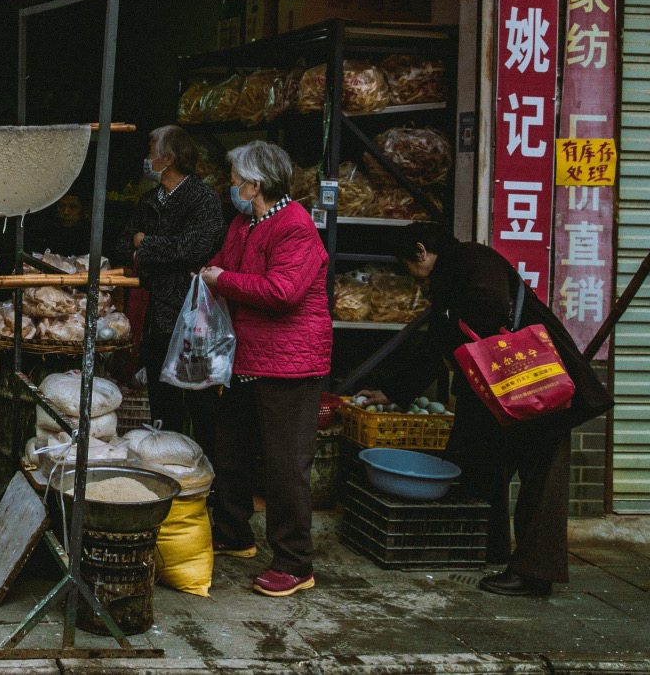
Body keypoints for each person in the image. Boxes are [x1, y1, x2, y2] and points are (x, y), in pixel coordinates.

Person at [355, 224, 572, 597]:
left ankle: (535, 572)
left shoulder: (471, 260)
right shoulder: (450, 275)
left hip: (532, 383)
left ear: (421, 251)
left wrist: (457, 335)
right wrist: (392, 391)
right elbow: (438, 346)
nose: (411, 274)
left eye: (408, 264)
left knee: (542, 475)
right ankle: (489, 547)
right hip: (500, 389)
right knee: (478, 460)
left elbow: (487, 312)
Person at [199, 140, 331, 598]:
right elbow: (226, 266)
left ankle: (295, 562)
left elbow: (283, 292)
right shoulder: (244, 222)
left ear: (255, 184)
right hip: (247, 356)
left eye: (235, 181)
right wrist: (212, 274)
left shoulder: (296, 227)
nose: (230, 187)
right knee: (231, 449)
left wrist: (223, 281)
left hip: (291, 363)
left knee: (286, 465)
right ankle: (234, 533)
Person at [114, 126, 225, 434]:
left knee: (199, 400)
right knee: (162, 397)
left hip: (191, 313)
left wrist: (145, 243)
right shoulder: (149, 200)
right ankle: (166, 458)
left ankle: (202, 468)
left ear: (168, 158)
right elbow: (123, 244)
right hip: (152, 312)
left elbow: (192, 248)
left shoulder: (204, 200)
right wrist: (149, 246)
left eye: (151, 152)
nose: (146, 158)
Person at [32, 192, 89, 257]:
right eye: (62, 206)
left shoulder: (90, 236)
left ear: (83, 210)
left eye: (73, 207)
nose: (66, 212)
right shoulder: (47, 231)